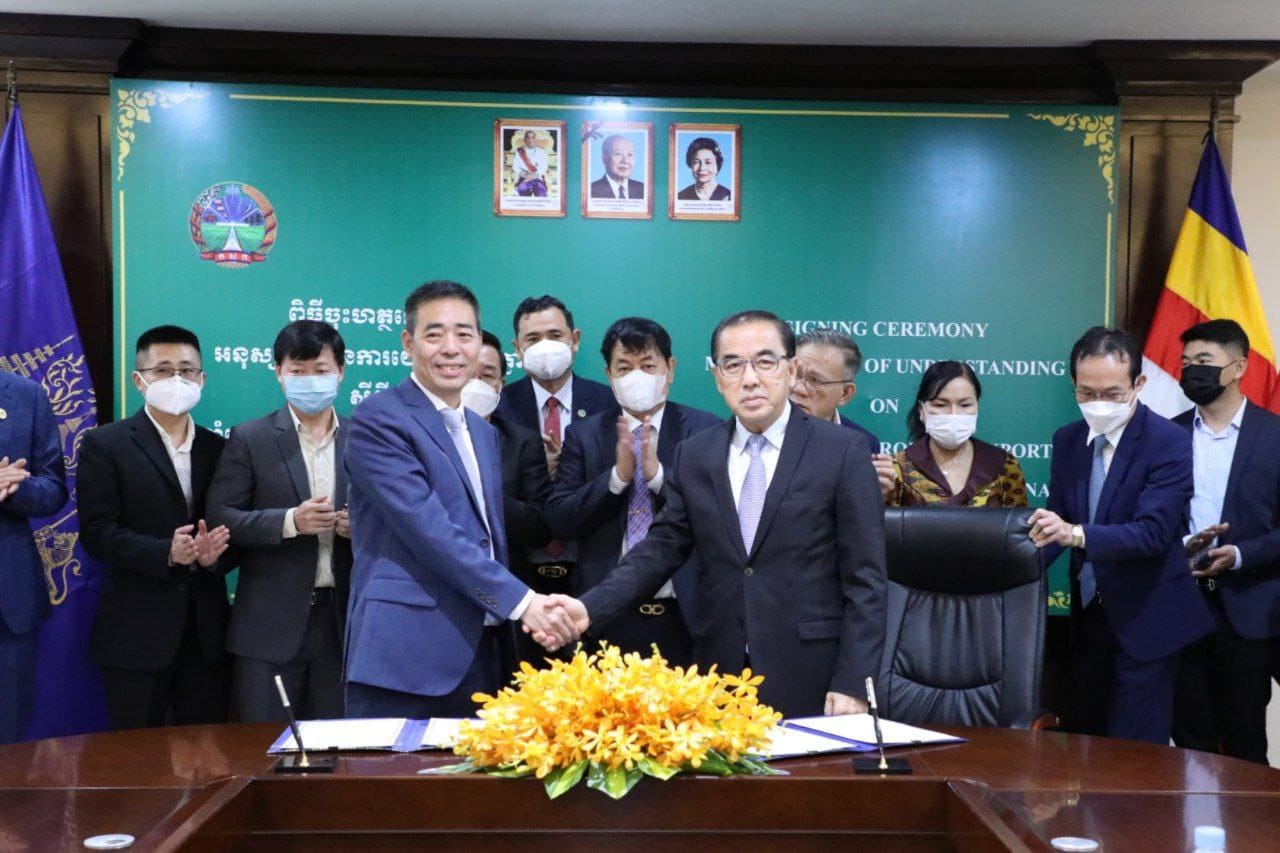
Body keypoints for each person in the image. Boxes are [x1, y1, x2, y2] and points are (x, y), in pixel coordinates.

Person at [534, 310, 887, 719]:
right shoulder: (697, 453)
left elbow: (866, 580)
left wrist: (853, 683)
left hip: (813, 675)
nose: (749, 379)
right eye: (732, 365)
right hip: (718, 673)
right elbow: (661, 548)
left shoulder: (842, 450)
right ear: (718, 378)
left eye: (765, 361)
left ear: (791, 370)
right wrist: (587, 608)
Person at [341, 280, 578, 718]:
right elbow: (428, 530)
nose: (451, 348)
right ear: (408, 343)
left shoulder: (483, 432)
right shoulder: (379, 418)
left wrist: (514, 611)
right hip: (406, 657)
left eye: (464, 334)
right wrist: (525, 602)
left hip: (486, 648)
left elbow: (488, 538)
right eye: (434, 334)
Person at [1027, 326, 1212, 744]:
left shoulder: (1169, 441)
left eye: (1112, 393)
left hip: (1147, 618)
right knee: (1088, 744)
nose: (1098, 404)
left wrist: (1075, 534)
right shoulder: (1068, 439)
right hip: (1088, 616)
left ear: (1138, 384)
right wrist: (1011, 561)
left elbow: (1152, 533)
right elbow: (1058, 519)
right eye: (1086, 393)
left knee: (1134, 753)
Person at [80, 326, 234, 730]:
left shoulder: (220, 448)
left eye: (187, 370)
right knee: (136, 755)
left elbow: (233, 528)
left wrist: (214, 557)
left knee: (207, 751)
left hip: (207, 634)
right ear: (139, 379)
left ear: (202, 379)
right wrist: (165, 552)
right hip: (136, 633)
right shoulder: (105, 444)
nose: (176, 380)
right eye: (163, 370)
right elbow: (97, 533)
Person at [546, 317, 719, 666]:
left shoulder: (706, 430)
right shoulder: (584, 434)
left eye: (648, 366)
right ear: (609, 375)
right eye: (624, 368)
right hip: (604, 614)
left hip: (685, 615)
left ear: (670, 369)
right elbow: (559, 520)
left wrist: (659, 479)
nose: (636, 376)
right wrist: (616, 479)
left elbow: (716, 519)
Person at [206, 320, 353, 723]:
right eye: (297, 371)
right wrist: (290, 521)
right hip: (268, 627)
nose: (310, 380)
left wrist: (361, 528)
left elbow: (393, 517)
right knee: (262, 746)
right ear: (278, 373)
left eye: (321, 370)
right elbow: (221, 517)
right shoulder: (250, 438)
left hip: (343, 624)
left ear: (341, 372)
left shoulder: (364, 438)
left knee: (339, 747)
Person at [1171, 319, 1280, 765]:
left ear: (1238, 367)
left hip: (1247, 612)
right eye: (1185, 363)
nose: (1191, 371)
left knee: (1245, 744)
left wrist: (1239, 554)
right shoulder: (1167, 435)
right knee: (1188, 741)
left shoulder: (1274, 436)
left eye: (1204, 361)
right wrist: (1180, 547)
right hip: (1181, 604)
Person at [493, 296, 614, 593]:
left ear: (575, 340)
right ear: (518, 349)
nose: (545, 346)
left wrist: (572, 470)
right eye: (533, 339)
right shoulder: (497, 406)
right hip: (515, 570)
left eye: (555, 335)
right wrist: (532, 471)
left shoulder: (609, 402)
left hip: (595, 567)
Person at [462, 331, 554, 604]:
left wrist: (484, 490)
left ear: (501, 385)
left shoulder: (522, 442)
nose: (475, 384)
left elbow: (540, 528)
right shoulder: (419, 435)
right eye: (467, 374)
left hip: (506, 587)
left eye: (487, 375)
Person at [0, 370, 67, 744]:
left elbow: (54, 488)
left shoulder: (26, 395)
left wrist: (15, 487)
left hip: (8, 605)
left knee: (8, 740)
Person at [873, 360, 1027, 507]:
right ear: (921, 410)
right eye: (941, 405)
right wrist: (880, 495)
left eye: (965, 405)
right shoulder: (897, 468)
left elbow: (1018, 522)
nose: (954, 414)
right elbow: (883, 522)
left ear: (977, 406)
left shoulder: (1003, 464)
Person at [790, 329, 879, 451]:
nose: (798, 388)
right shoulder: (763, 428)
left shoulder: (862, 444)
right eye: (794, 374)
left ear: (845, 394)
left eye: (815, 380)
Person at [589, 135, 645, 200]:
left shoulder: (643, 189)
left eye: (630, 155)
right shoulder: (591, 190)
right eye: (618, 154)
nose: (625, 161)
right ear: (604, 159)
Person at [677, 137, 732, 201]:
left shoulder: (730, 196)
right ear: (690, 164)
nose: (702, 168)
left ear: (717, 165)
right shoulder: (681, 196)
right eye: (696, 162)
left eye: (708, 162)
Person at [512, 130, 549, 198]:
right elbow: (515, 166)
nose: (530, 140)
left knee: (541, 193)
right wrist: (525, 175)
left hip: (537, 178)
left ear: (535, 139)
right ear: (524, 139)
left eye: (532, 137)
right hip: (524, 178)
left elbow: (544, 166)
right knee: (522, 192)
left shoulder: (541, 151)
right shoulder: (519, 151)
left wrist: (535, 175)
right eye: (528, 137)